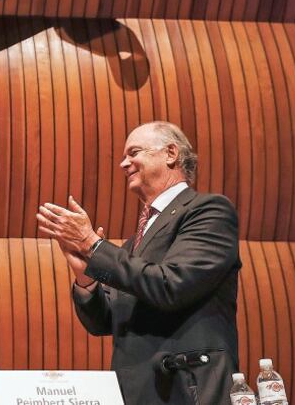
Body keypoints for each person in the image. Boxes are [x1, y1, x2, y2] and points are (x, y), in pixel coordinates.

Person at [37, 121, 241, 405]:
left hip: (188, 388)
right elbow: (103, 321)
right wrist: (85, 278)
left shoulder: (209, 211)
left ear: (171, 153)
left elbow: (172, 285)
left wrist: (93, 245)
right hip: (135, 391)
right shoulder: (135, 242)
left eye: (134, 152)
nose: (123, 163)